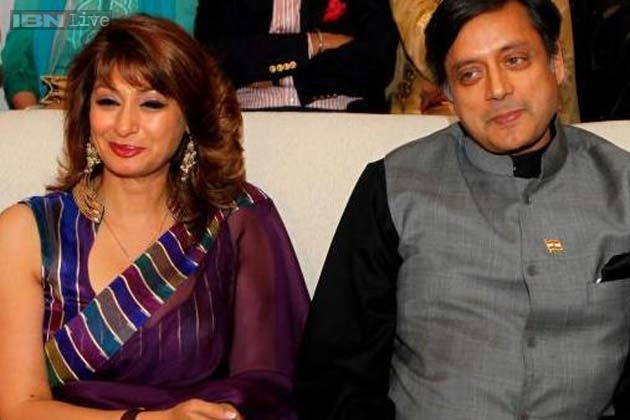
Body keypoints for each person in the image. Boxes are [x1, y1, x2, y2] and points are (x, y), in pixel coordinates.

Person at [294, 1, 630, 419]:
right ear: (448, 94)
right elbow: (334, 375)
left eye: (515, 60)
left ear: (556, 63)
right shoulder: (395, 187)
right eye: (470, 74)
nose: (497, 89)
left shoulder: (622, 186)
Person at [0, 15, 309, 420]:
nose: (124, 125)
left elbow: (271, 385)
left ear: (190, 117)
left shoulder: (236, 219)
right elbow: (18, 407)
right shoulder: (27, 232)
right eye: (108, 101)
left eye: (151, 104)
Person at [388, 0, 581, 123]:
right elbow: (424, 35)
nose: (498, 89)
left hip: (536, 103)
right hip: (438, 110)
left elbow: (549, 31)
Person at [194, 0, 398, 113]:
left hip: (342, 112)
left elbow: (378, 60)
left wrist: (278, 76)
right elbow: (215, 60)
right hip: (247, 117)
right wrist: (315, 43)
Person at [1, 0, 196, 109]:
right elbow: (18, 59)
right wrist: (32, 114)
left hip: (133, 114)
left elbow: (179, 62)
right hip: (53, 111)